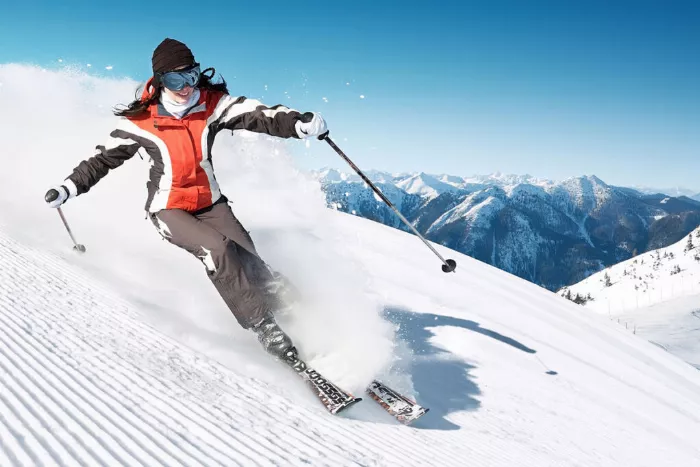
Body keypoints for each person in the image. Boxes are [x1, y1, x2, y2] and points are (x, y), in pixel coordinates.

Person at [45, 38, 328, 361]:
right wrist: (68, 187)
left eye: (190, 76)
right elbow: (101, 160)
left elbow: (258, 114)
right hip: (169, 209)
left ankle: (299, 313)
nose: (184, 87)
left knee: (251, 260)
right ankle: (264, 326)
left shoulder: (212, 105)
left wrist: (297, 124)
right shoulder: (140, 123)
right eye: (174, 80)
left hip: (211, 202)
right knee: (218, 250)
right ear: (160, 81)